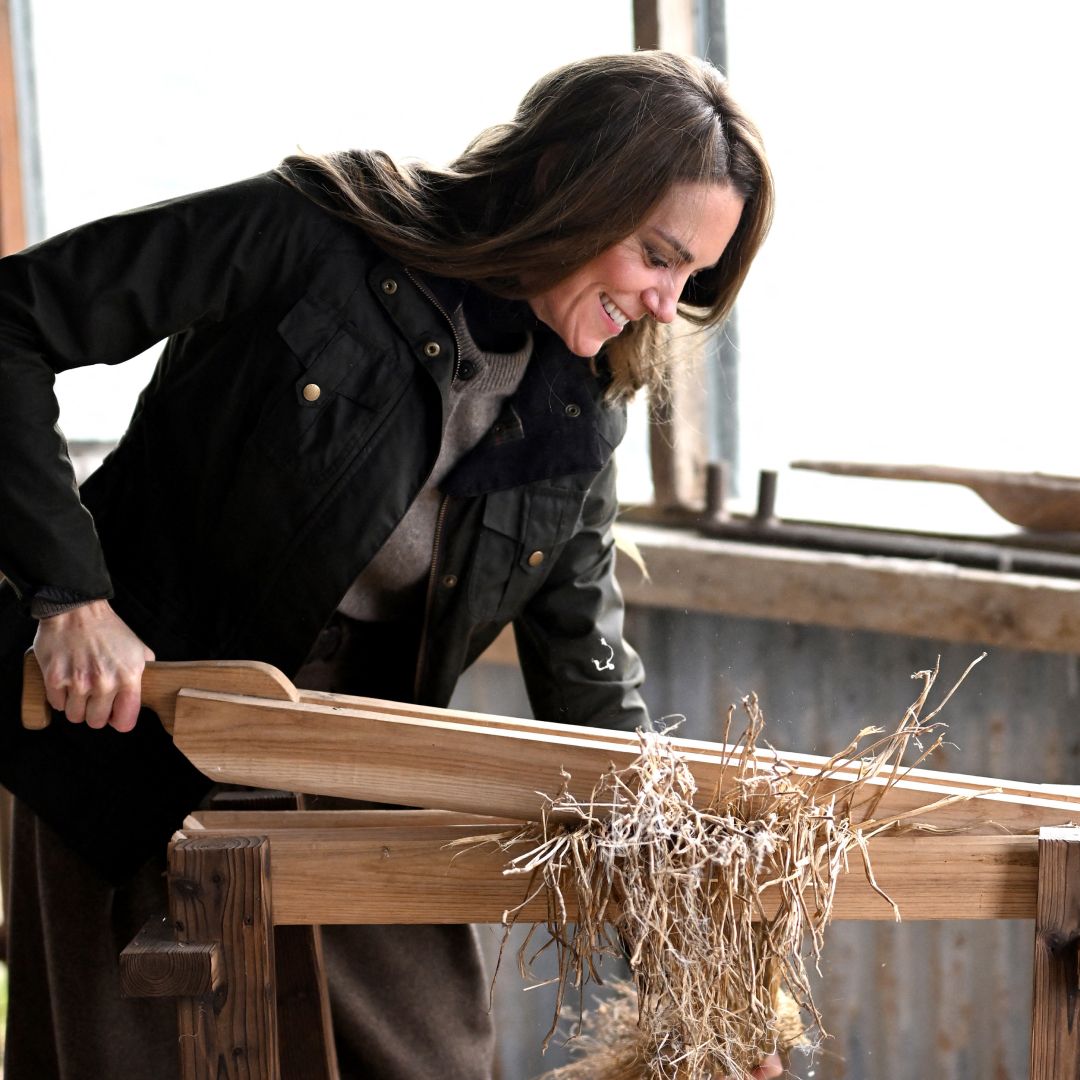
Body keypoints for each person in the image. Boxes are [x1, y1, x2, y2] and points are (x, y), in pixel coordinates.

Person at [0, 50, 776, 1079]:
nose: (663, 303)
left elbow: (592, 699)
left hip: (356, 765)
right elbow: (11, 325)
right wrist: (71, 596)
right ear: (561, 184)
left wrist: (688, 973)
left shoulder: (577, 419)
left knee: (434, 1056)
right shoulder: (310, 230)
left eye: (693, 279)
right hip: (134, 737)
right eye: (656, 255)